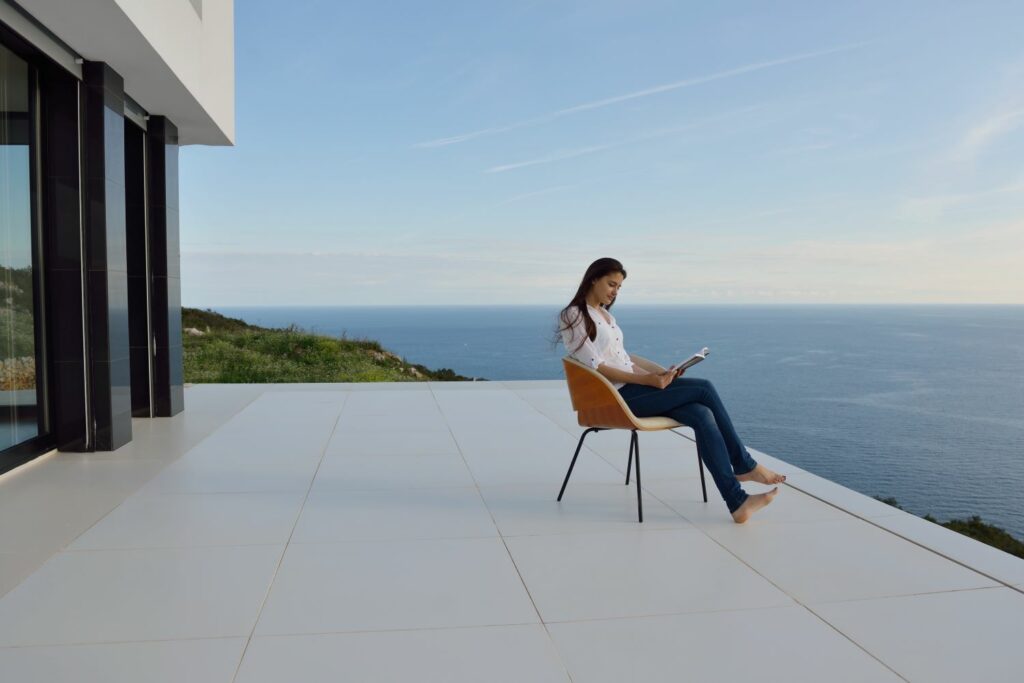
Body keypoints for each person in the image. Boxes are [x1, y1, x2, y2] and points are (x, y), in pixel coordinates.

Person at [558, 257, 785, 523]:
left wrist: (659, 374)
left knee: (701, 413)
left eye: (619, 287)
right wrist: (649, 381)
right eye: (611, 284)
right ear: (593, 279)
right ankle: (744, 464)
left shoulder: (606, 316)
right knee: (705, 388)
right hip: (614, 398)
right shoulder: (574, 314)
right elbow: (598, 367)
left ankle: (737, 503)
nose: (615, 292)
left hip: (633, 390)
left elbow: (623, 360)